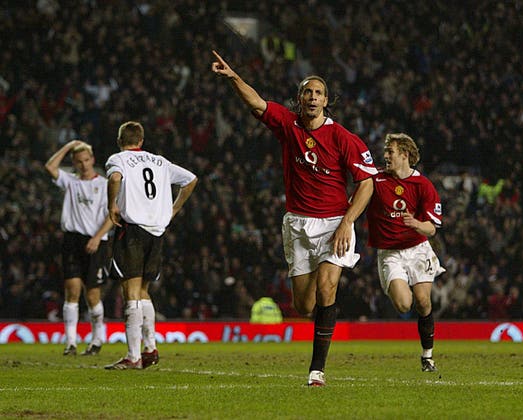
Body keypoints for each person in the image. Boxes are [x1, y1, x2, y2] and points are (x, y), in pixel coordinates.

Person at [211, 50, 376, 386]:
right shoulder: (288, 125)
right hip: (298, 226)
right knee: (303, 306)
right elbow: (257, 103)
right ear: (299, 99)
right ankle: (318, 293)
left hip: (334, 224)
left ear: (326, 101)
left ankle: (317, 371)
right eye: (307, 91)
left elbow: (367, 183)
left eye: (318, 92)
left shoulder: (344, 138)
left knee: (328, 287)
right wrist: (233, 78)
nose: (312, 97)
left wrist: (348, 221)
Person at [104, 121, 197, 370]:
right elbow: (190, 180)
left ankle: (133, 356)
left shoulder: (119, 158)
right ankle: (150, 348)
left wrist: (111, 204)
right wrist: (174, 208)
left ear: (120, 140)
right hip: (156, 232)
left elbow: (114, 178)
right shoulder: (160, 162)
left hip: (133, 230)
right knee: (144, 291)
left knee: (131, 293)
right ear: (141, 141)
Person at [366, 133, 445, 372]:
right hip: (390, 253)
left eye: (390, 151)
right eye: (386, 151)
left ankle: (427, 356)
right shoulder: (376, 180)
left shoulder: (423, 185)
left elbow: (432, 227)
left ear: (404, 155)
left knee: (423, 301)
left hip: (417, 248)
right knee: (403, 305)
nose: (386, 155)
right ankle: (425, 352)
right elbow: (358, 199)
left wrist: (416, 224)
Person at [45, 140, 113, 356]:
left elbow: (113, 215)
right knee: (72, 290)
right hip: (72, 241)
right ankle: (71, 343)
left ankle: (97, 339)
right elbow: (50, 167)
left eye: (86, 160)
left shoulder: (104, 185)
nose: (84, 164)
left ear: (92, 160)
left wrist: (97, 237)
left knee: (92, 295)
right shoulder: (71, 182)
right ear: (74, 163)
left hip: (95, 242)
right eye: (79, 161)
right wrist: (69, 146)